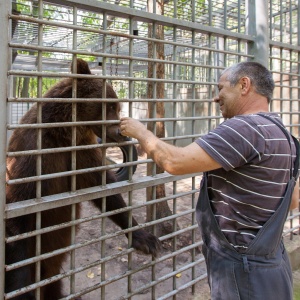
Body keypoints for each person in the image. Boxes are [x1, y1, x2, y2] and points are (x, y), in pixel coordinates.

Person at [120, 61, 299, 300]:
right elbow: (294, 201)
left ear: (244, 85)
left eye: (221, 88)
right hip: (273, 265)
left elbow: (175, 162)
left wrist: (141, 132)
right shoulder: (284, 136)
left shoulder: (243, 128)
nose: (217, 97)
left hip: (242, 271)